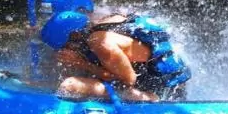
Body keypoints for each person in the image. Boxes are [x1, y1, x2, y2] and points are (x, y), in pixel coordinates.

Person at [40, 11, 192, 101]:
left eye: (65, 46)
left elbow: (128, 80)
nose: (65, 50)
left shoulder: (99, 42)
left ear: (74, 35)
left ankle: (147, 98)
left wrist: (82, 64)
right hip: (160, 78)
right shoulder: (98, 24)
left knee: (70, 84)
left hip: (164, 90)